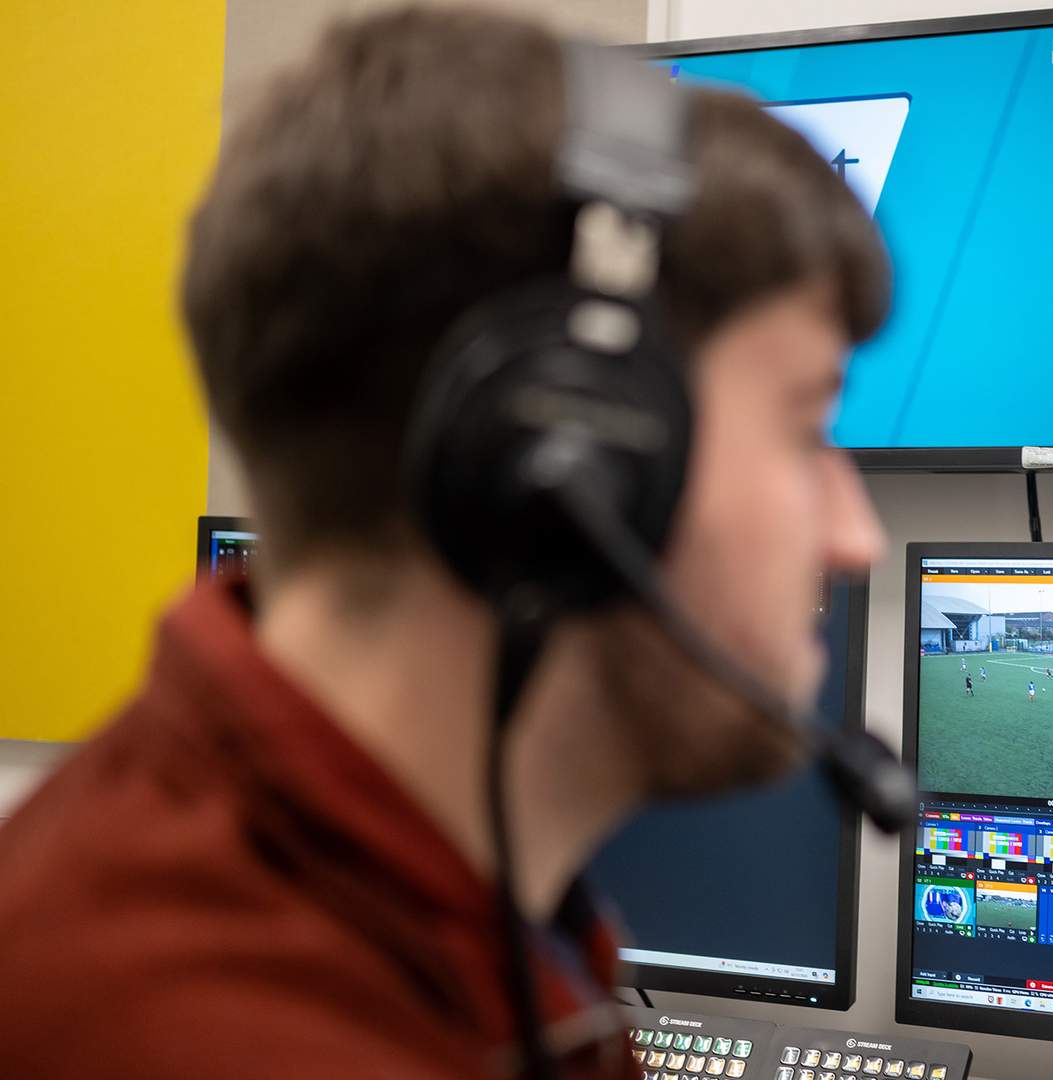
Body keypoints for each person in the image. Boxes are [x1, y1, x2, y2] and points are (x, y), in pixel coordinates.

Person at [0, 9, 888, 1078]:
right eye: (807, 430)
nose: (856, 536)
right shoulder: (223, 1035)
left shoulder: (433, 939)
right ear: (561, 462)